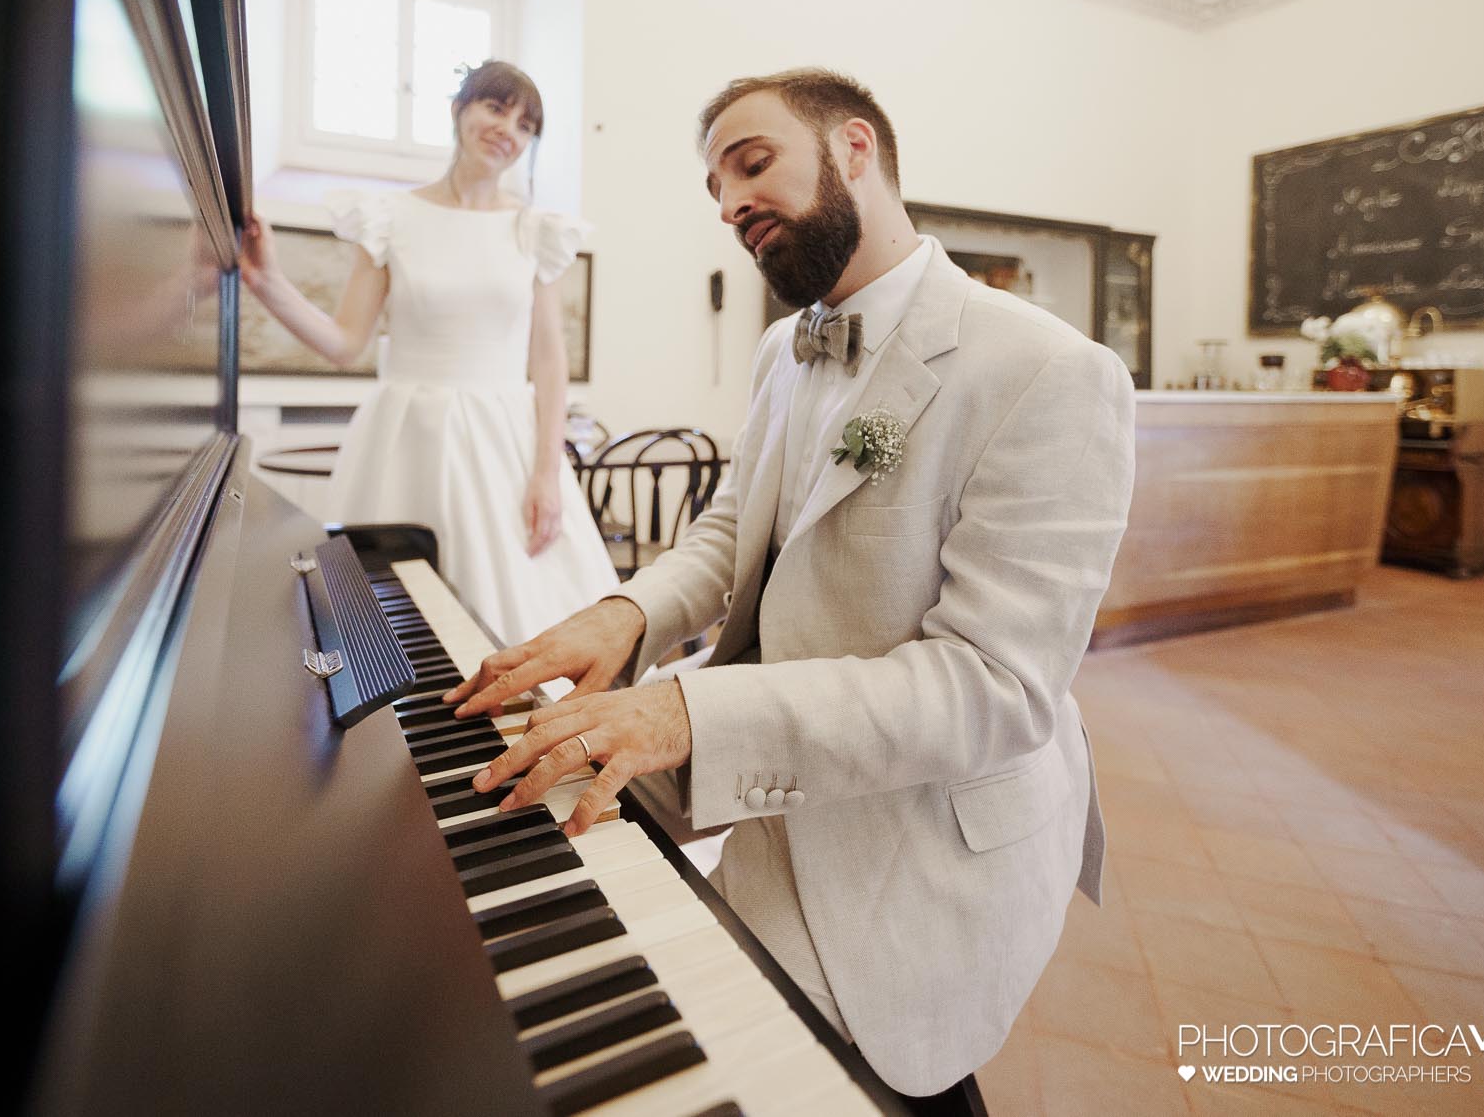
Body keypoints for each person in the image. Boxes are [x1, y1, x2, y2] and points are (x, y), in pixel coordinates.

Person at [446, 69, 1135, 1107]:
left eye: (751, 164)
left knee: (860, 1076)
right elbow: (734, 528)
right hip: (771, 784)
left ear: (854, 148)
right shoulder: (783, 348)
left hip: (925, 831)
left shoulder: (1045, 371)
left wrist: (683, 711)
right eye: (715, 189)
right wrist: (625, 610)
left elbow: (991, 688)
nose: (728, 206)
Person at [239, 60, 617, 646]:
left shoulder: (534, 230)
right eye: (496, 108)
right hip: (405, 438)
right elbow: (344, 343)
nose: (509, 130)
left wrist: (547, 470)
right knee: (393, 620)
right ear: (458, 110)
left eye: (526, 123)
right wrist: (266, 283)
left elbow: (548, 361)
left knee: (511, 618)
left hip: (505, 443)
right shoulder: (392, 219)